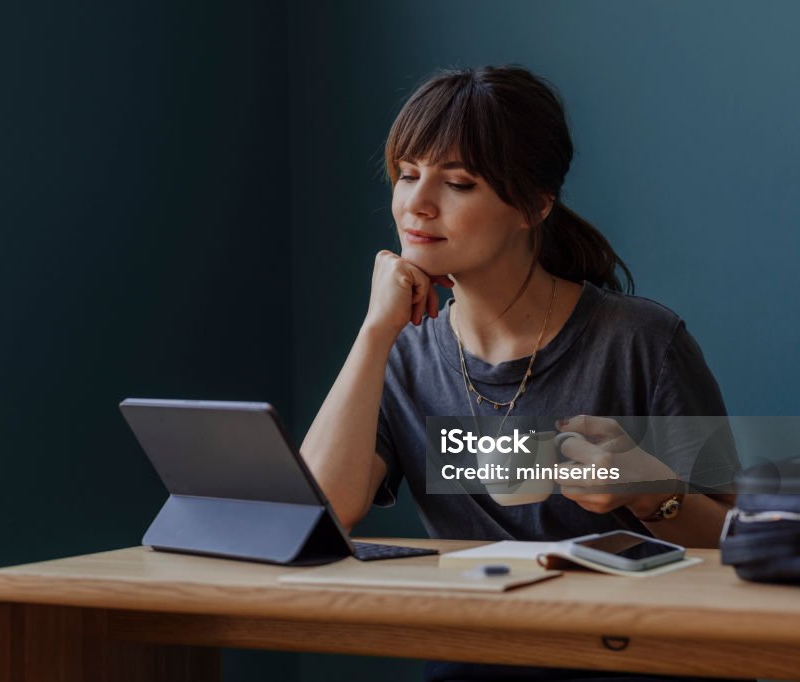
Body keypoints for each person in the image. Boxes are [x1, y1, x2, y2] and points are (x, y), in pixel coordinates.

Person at [300, 65, 741, 682]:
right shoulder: (402, 350)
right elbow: (318, 514)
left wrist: (649, 492)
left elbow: (738, 541)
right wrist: (375, 332)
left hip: (638, 661)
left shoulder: (643, 342)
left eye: (458, 182)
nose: (417, 205)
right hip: (478, 661)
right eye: (406, 175)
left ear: (534, 206)